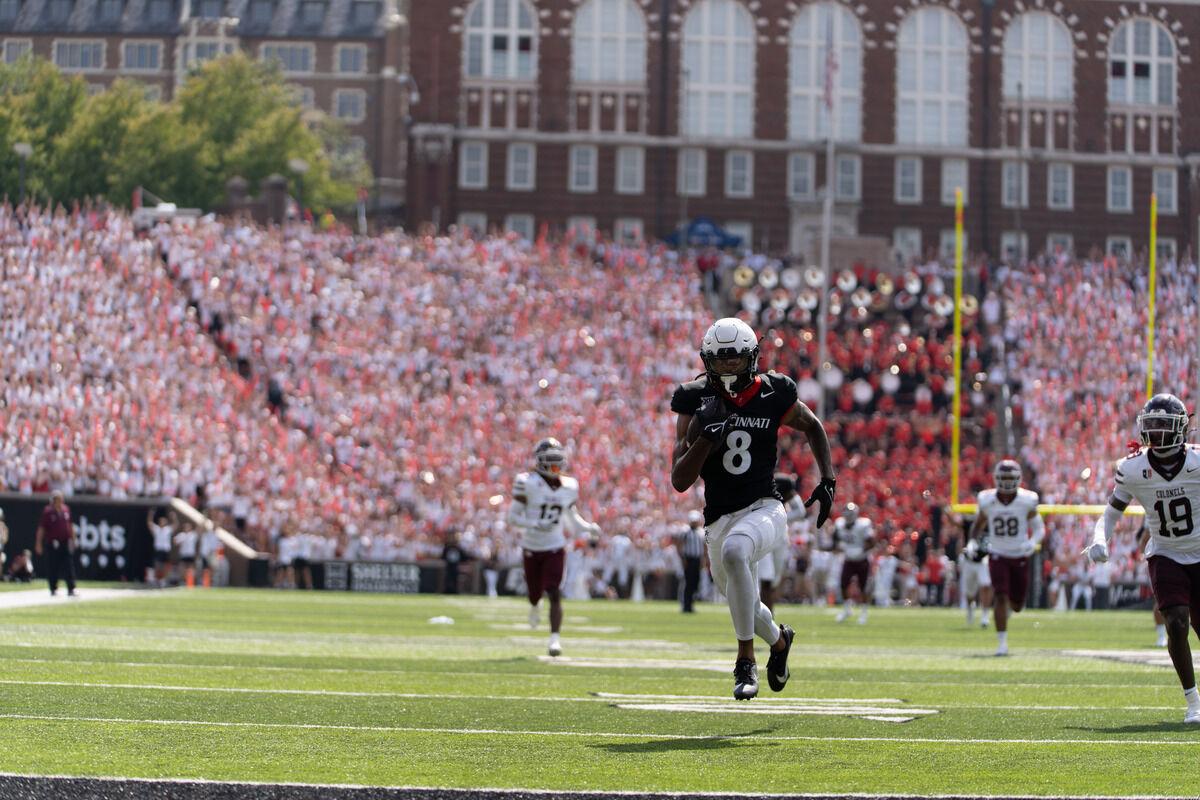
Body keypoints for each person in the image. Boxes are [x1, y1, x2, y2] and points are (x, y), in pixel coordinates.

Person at [671, 317, 837, 700]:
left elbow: (812, 425)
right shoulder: (694, 398)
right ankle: (779, 643)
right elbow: (680, 480)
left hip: (765, 508)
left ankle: (744, 661)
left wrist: (827, 478)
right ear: (707, 361)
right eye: (720, 359)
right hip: (719, 518)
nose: (728, 367)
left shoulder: (774, 392)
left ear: (752, 357)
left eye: (735, 359)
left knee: (736, 552)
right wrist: (705, 437)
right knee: (744, 600)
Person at [1088, 393, 1200, 722]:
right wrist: (1098, 537)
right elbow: (1111, 512)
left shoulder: (1197, 462)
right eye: (1152, 426)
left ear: (1181, 429)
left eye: (1164, 426)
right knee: (1177, 622)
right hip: (1165, 553)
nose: (1158, 433)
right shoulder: (1133, 468)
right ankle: (1193, 701)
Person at [508, 437, 602, 657]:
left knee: (554, 591)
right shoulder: (526, 481)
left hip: (555, 544)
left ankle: (554, 639)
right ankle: (534, 605)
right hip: (531, 544)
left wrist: (588, 527)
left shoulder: (569, 485)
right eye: (549, 460)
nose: (553, 465)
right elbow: (513, 517)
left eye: (556, 460)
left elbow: (571, 517)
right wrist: (534, 523)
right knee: (534, 594)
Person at [971, 459, 1043, 656]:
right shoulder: (987, 500)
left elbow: (1039, 528)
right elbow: (977, 525)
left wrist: (1032, 541)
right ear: (996, 478)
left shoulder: (1027, 500)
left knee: (1017, 605)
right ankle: (1002, 643)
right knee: (1000, 596)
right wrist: (972, 542)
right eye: (1003, 478)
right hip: (998, 554)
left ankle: (1009, 612)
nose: (1007, 482)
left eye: (1010, 478)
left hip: (1019, 554)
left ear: (1018, 479)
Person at [757, 474, 806, 611]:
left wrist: (779, 518)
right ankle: (767, 616)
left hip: (780, 535)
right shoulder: (758, 483)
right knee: (766, 578)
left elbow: (800, 511)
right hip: (763, 534)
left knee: (774, 580)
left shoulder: (783, 484)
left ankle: (766, 612)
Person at [832, 503, 874, 624]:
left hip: (862, 560)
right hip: (849, 559)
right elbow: (835, 540)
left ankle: (864, 613)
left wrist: (860, 551)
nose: (849, 517)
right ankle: (847, 609)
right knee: (843, 584)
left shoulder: (864, 524)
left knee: (863, 587)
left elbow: (871, 542)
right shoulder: (839, 524)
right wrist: (840, 547)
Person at [34, 491, 78, 597]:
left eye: (59, 498)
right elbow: (42, 529)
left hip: (65, 542)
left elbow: (70, 526)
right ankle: (53, 588)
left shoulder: (66, 509)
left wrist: (74, 539)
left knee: (68, 565)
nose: (58, 501)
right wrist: (38, 543)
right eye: (56, 499)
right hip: (53, 543)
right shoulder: (48, 511)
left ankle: (71, 588)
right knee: (53, 566)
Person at [958, 512, 993, 628]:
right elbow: (956, 523)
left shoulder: (993, 524)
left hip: (983, 561)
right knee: (970, 593)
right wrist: (946, 510)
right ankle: (970, 609)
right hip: (969, 562)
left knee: (986, 585)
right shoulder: (970, 523)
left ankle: (985, 616)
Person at [1137, 524, 1169, 647]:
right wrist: (1143, 555)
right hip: (1161, 560)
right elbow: (1144, 537)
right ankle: (1161, 635)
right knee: (1160, 600)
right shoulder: (1152, 512)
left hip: (1185, 557)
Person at [673, 510, 707, 613]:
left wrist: (704, 560)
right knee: (688, 582)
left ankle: (691, 604)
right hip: (688, 559)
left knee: (695, 582)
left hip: (697, 559)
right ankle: (685, 605)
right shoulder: (685, 531)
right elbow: (679, 545)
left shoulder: (701, 532)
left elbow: (704, 547)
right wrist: (683, 559)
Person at [146, 509, 174, 587]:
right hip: (158, 550)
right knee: (157, 565)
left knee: (165, 566)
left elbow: (175, 525)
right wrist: (150, 515)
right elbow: (149, 523)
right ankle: (155, 579)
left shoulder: (168, 529)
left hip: (166, 550)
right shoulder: (156, 529)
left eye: (163, 521)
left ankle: (163, 580)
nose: (162, 522)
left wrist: (173, 517)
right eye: (161, 521)